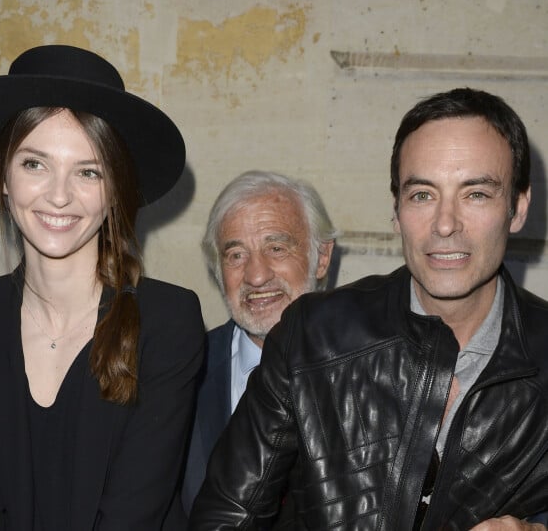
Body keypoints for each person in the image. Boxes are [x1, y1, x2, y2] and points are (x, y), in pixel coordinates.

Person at [189, 88, 548, 530]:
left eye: (475, 194)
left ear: (518, 208)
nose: (445, 224)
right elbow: (225, 518)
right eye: (422, 195)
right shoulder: (312, 335)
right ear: (396, 210)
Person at [0, 44, 205, 530]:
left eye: (88, 171)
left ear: (114, 187)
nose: (58, 195)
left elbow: (130, 517)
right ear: (3, 174)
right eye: (34, 164)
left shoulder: (168, 321)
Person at [175, 170, 337, 523]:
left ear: (321, 257)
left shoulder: (376, 370)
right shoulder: (179, 372)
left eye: (276, 248)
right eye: (235, 255)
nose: (256, 275)